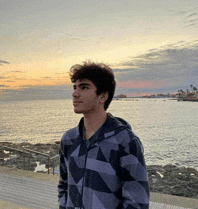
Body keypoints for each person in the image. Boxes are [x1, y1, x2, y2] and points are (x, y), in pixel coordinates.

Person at [58, 61, 149, 209]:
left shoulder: (125, 141)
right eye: (75, 87)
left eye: (84, 87)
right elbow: (64, 185)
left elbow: (137, 201)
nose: (75, 94)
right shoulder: (69, 139)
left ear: (103, 96)